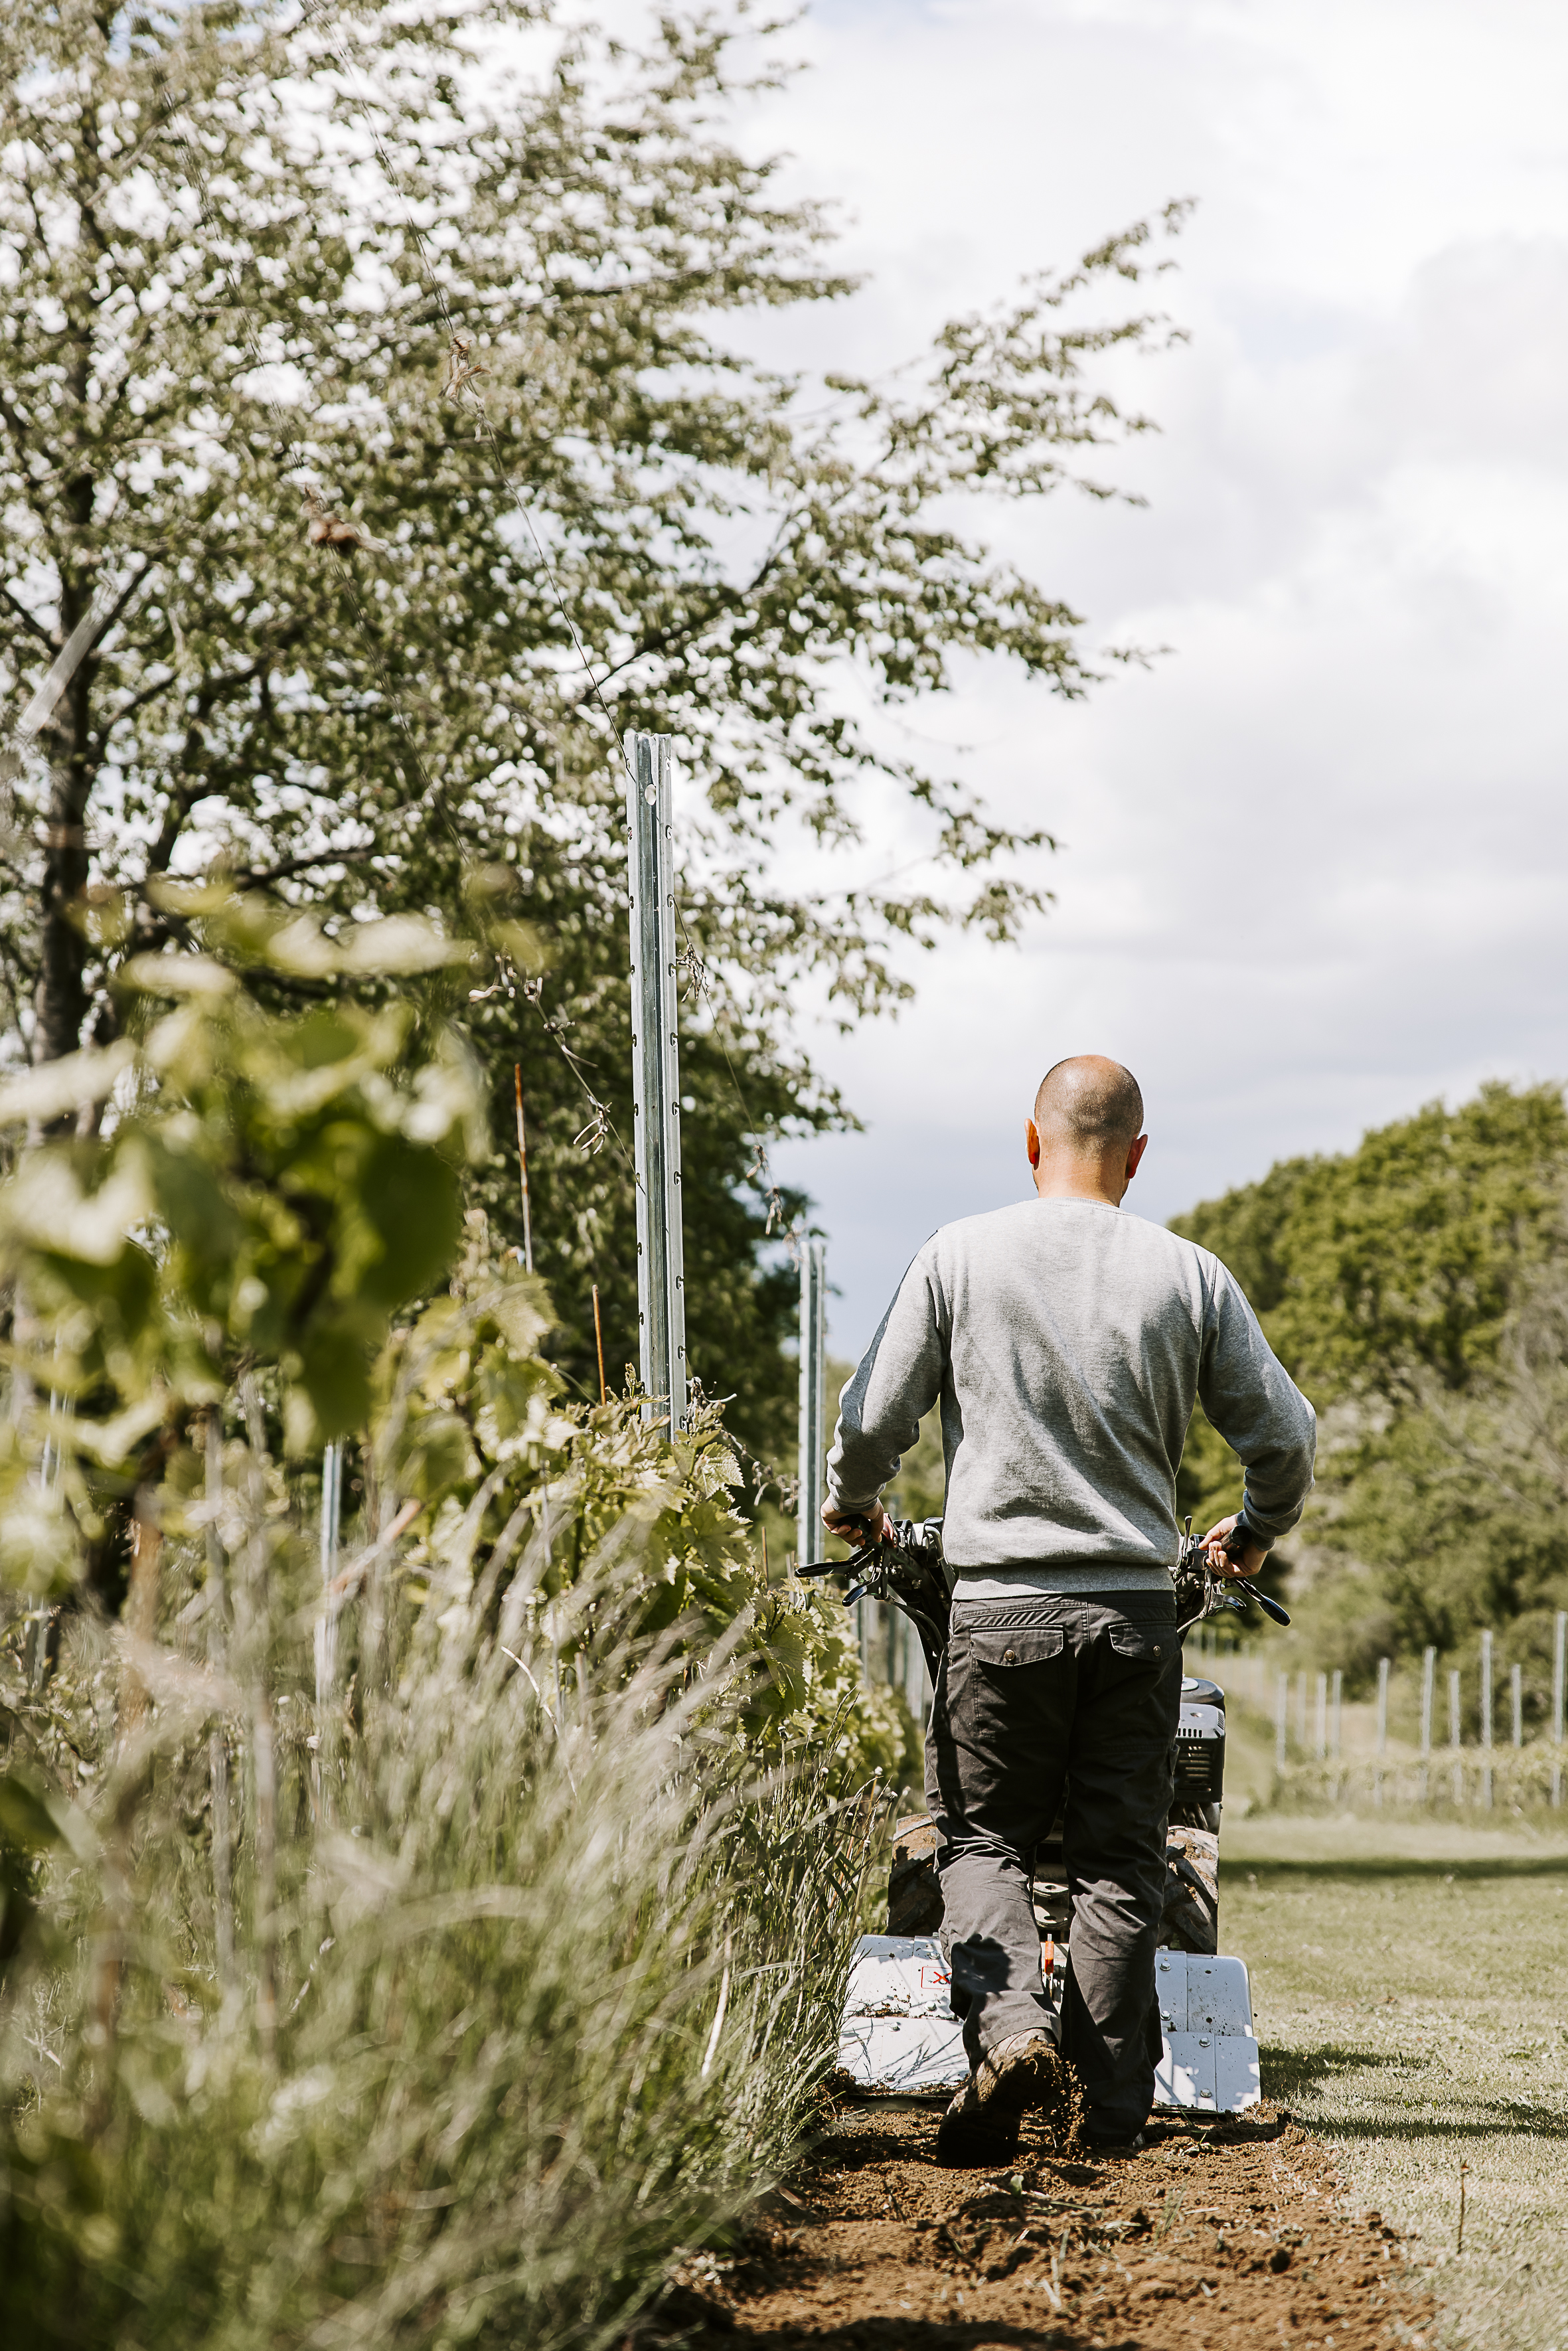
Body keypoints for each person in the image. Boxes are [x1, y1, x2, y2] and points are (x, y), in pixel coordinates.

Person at [822, 1056, 1316, 2164]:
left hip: (995, 1615)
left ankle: (1005, 2035)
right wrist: (1253, 1528)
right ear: (1137, 1155)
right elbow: (1283, 1438)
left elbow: (870, 1420)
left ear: (1031, 1140)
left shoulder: (956, 1253)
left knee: (983, 1838)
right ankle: (1108, 2110)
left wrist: (855, 1502)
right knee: (1116, 1858)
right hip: (1135, 1616)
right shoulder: (1189, 1276)